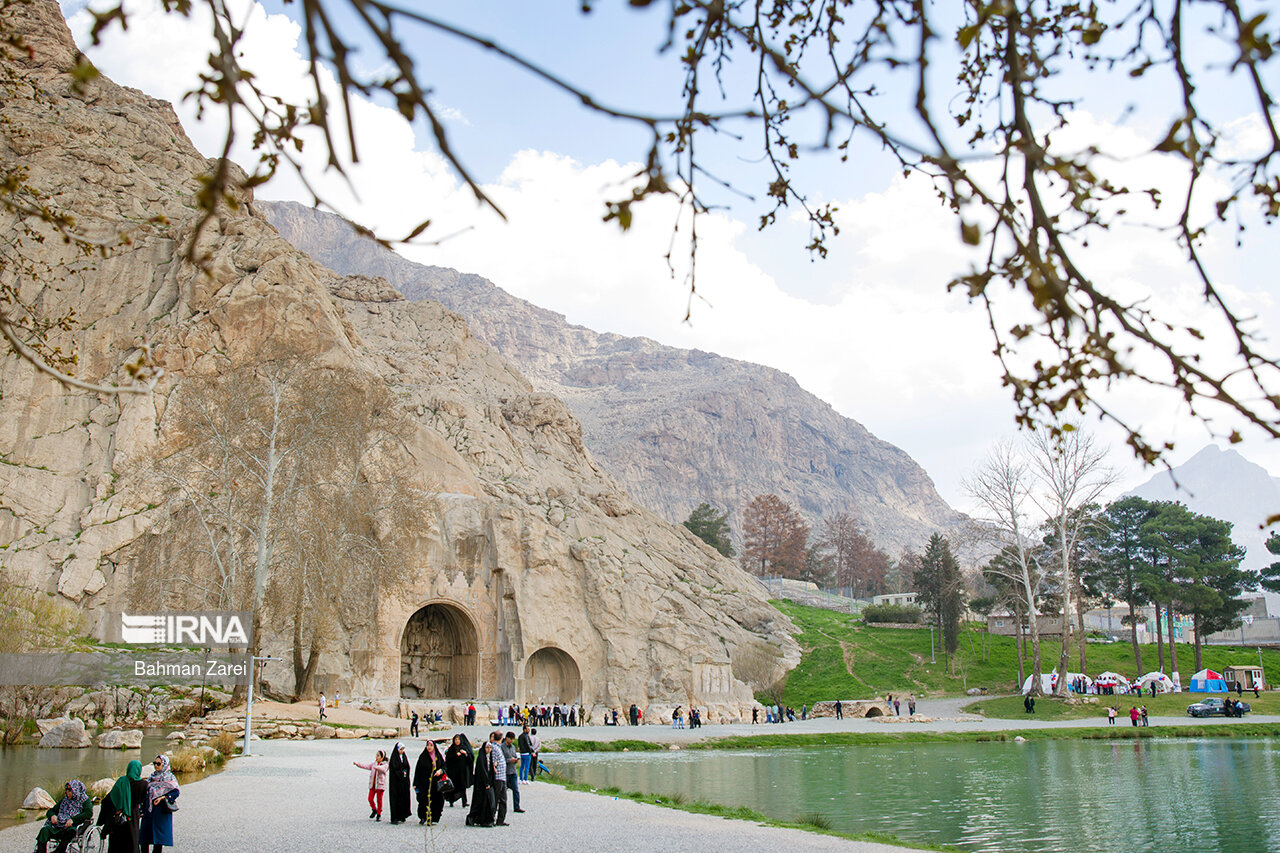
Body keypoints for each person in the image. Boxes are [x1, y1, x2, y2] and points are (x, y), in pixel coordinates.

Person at [33, 779, 93, 853]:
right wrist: (53, 816)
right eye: (66, 789)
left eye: (69, 790)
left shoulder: (85, 801)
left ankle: (59, 851)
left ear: (76, 790)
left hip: (71, 826)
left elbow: (88, 813)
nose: (67, 792)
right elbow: (51, 811)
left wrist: (73, 820)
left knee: (70, 832)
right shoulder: (65, 800)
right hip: (58, 825)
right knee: (44, 830)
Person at [98, 759, 144, 853]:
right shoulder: (143, 784)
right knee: (132, 842)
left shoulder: (121, 782)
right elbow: (145, 802)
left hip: (118, 819)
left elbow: (108, 801)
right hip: (133, 818)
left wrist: (103, 820)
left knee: (116, 845)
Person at [139, 754, 179, 853]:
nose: (156, 765)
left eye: (158, 763)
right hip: (149, 811)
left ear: (164, 764)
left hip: (161, 811)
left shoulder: (169, 777)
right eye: (154, 763)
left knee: (158, 840)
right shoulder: (152, 777)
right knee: (144, 838)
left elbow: (176, 792)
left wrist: (163, 797)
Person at [413, 739, 446, 826]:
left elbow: (444, 766)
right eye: (428, 745)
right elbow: (418, 770)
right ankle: (423, 817)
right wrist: (415, 783)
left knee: (436, 800)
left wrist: (441, 771)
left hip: (436, 783)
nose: (429, 747)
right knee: (424, 800)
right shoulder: (423, 757)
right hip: (425, 783)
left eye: (431, 746)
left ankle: (433, 817)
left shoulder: (438, 756)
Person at [465, 741, 497, 827]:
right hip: (481, 784)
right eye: (487, 748)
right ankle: (472, 818)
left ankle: (484, 820)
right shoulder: (481, 758)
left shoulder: (489, 757)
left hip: (487, 783)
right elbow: (482, 771)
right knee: (479, 802)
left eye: (490, 748)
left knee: (487, 802)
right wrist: (486, 783)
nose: (489, 750)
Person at [353, 750, 389, 820]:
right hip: (373, 784)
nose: (376, 757)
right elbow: (366, 766)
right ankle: (374, 809)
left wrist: (377, 767)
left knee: (379, 800)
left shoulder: (385, 764)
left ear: (382, 757)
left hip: (380, 785)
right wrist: (357, 764)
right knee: (370, 798)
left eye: (378, 756)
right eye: (376, 755)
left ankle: (379, 813)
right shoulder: (374, 764)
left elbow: (383, 769)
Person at [444, 734, 473, 808]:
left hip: (462, 772)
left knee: (463, 786)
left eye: (458, 740)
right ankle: (451, 800)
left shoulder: (464, 748)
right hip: (453, 772)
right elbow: (448, 760)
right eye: (456, 740)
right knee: (452, 786)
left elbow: (470, 760)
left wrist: (465, 753)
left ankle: (464, 802)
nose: (457, 741)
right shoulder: (451, 749)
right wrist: (455, 755)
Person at [387, 742, 412, 824]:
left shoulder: (404, 757)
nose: (402, 751)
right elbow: (394, 769)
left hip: (403, 782)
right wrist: (401, 773)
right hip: (396, 783)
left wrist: (405, 772)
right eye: (400, 749)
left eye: (402, 749)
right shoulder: (394, 758)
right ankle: (395, 817)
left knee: (403, 797)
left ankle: (402, 815)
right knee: (395, 798)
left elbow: (407, 766)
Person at [488, 733, 509, 826]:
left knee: (503, 799)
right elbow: (492, 761)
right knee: (496, 799)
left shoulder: (497, 747)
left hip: (502, 777)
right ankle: (492, 818)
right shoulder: (494, 747)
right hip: (498, 777)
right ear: (501, 738)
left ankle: (500, 819)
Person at [501, 731, 523, 813]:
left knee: (516, 790)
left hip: (513, 771)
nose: (511, 741)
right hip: (505, 771)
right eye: (510, 739)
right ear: (506, 738)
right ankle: (502, 806)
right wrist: (509, 760)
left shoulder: (513, 747)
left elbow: (514, 756)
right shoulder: (502, 747)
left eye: (513, 739)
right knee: (503, 791)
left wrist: (515, 760)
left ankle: (516, 807)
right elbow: (501, 759)